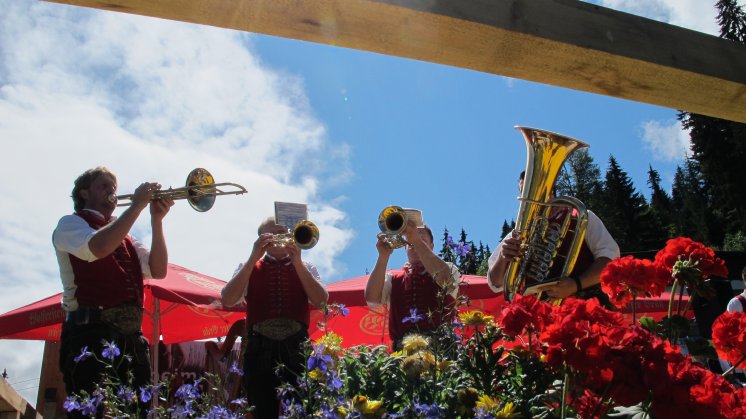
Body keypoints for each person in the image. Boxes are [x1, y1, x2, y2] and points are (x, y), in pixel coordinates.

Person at [53, 166, 173, 417]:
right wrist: (137, 207)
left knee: (136, 412)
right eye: (104, 186)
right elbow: (98, 247)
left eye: (114, 187)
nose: (112, 192)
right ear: (84, 193)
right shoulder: (70, 223)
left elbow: (158, 270)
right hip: (89, 333)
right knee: (91, 411)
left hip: (131, 337)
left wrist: (156, 221)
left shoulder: (125, 234)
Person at [221, 217, 328, 419]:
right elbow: (228, 298)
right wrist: (253, 258)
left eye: (284, 232)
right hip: (258, 344)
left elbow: (321, 301)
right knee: (261, 407)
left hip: (297, 343)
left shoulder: (306, 266)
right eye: (273, 234)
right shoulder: (249, 265)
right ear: (262, 238)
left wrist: (297, 261)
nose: (280, 237)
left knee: (302, 406)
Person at [488, 171, 620, 306]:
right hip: (537, 315)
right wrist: (503, 258)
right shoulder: (517, 233)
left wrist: (576, 284)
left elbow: (610, 259)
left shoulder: (582, 218)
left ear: (551, 190)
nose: (529, 198)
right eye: (524, 192)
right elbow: (495, 283)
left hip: (584, 308)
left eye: (533, 191)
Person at [365, 219, 461, 351]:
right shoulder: (393, 278)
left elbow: (445, 281)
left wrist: (415, 241)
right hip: (403, 350)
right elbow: (372, 299)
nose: (414, 242)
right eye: (409, 241)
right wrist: (383, 256)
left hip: (441, 348)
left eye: (422, 240)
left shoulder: (449, 268)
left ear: (432, 246)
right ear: (405, 247)